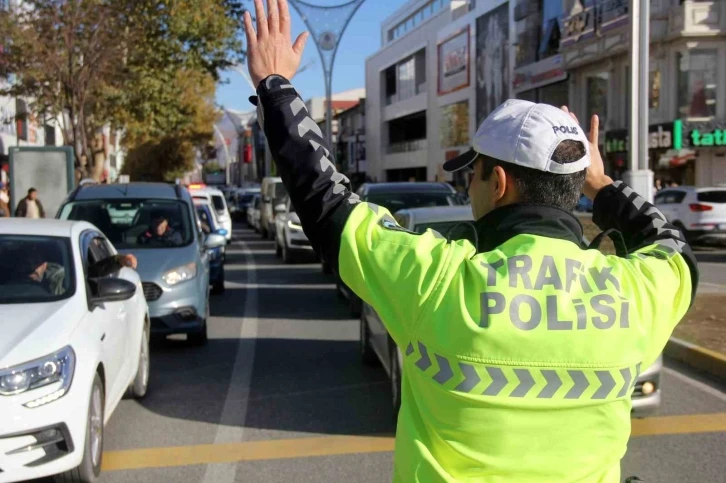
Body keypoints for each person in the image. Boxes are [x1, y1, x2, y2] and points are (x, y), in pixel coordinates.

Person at [243, 2, 698, 481]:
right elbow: (674, 250)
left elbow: (328, 204)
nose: (468, 190)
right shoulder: (634, 293)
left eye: (472, 177)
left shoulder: (438, 280)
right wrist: (601, 187)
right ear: (573, 183)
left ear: (498, 183)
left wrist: (275, 87)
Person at [24, 250, 137, 295]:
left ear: (44, 264)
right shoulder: (13, 283)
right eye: (27, 270)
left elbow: (92, 271)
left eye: (34, 269)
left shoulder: (65, 276)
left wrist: (118, 261)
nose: (31, 275)